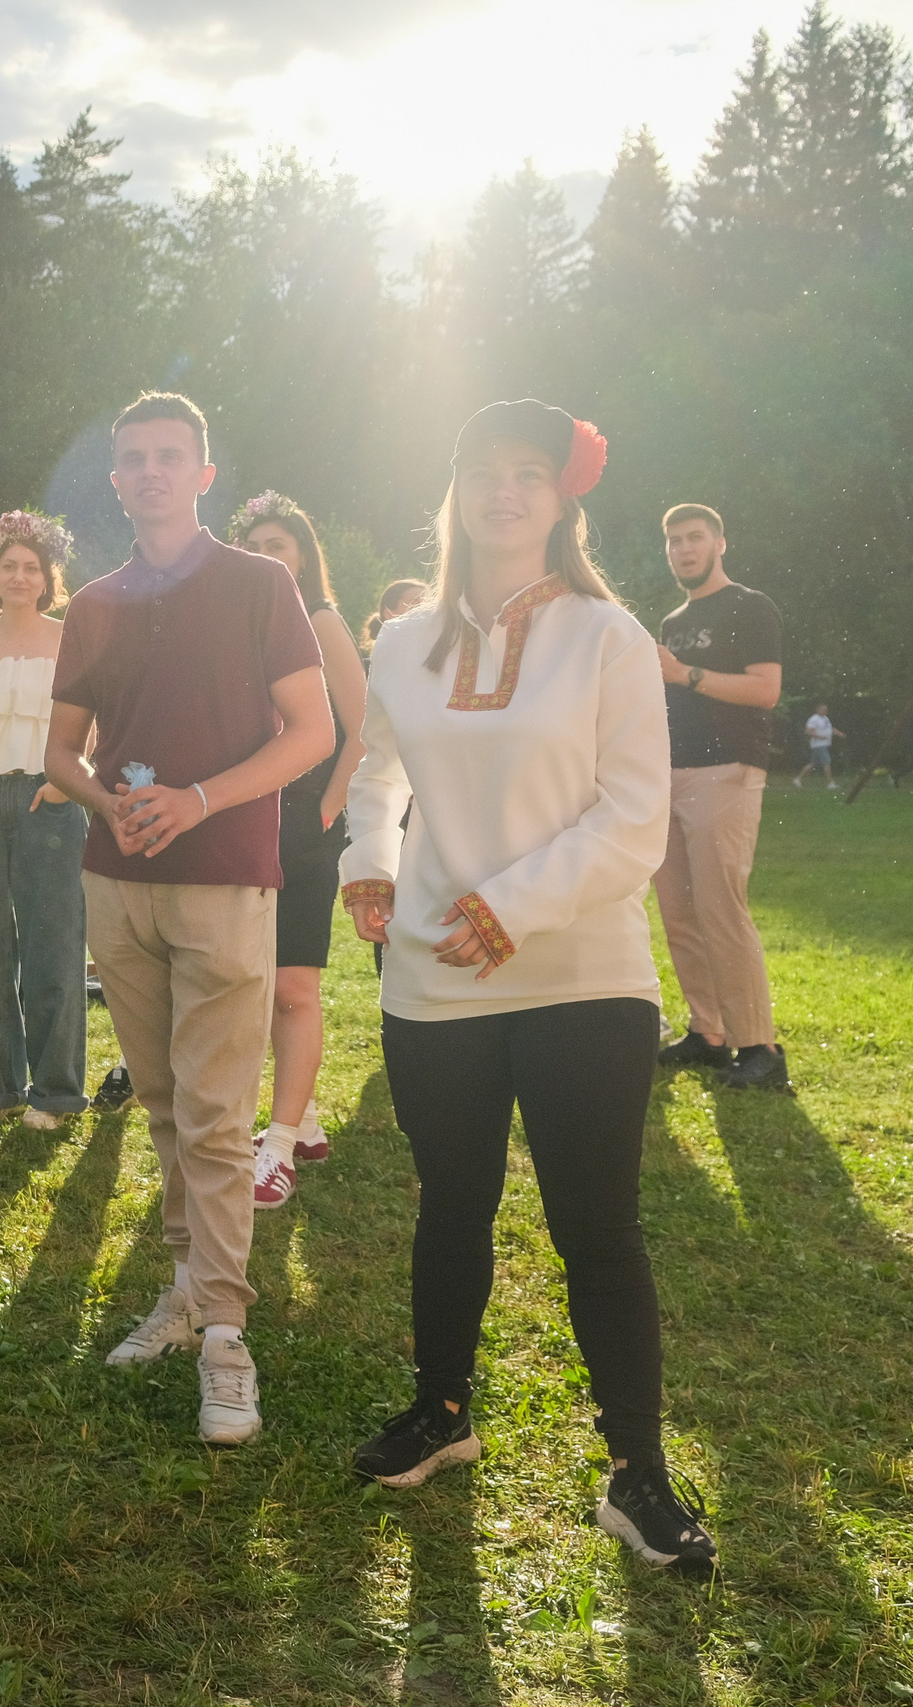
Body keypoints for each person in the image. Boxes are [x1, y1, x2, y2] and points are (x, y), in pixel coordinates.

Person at [339, 400, 714, 1572]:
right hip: (433, 976)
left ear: (561, 503)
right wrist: (370, 866)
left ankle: (635, 1473)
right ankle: (442, 1414)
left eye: (526, 476)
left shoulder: (608, 637)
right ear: (453, 493)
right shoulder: (401, 641)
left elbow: (633, 818)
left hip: (581, 973)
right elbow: (372, 772)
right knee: (450, 1201)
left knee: (595, 1227)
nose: (502, 492)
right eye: (482, 473)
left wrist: (515, 908)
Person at [43, 393, 332, 1448]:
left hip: (225, 874)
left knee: (214, 1117)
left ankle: (223, 1338)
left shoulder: (262, 585)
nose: (151, 473)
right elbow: (59, 754)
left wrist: (200, 799)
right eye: (132, 460)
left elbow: (312, 733)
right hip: (115, 883)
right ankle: (184, 1286)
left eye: (170, 457)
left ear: (203, 474)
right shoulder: (96, 605)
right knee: (163, 1104)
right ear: (113, 481)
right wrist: (104, 799)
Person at [232, 492, 370, 1208]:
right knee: (249, 986)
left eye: (278, 544)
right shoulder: (230, 631)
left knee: (292, 988)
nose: (265, 555)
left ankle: (279, 1145)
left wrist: (326, 808)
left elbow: (363, 727)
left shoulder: (320, 622)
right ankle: (306, 1119)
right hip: (237, 822)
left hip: (303, 828)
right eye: (253, 544)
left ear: (303, 557)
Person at [0, 510, 89, 1130]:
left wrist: (63, 786)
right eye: (9, 568)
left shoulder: (69, 637)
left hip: (45, 798)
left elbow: (90, 726)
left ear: (48, 577)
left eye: (32, 568)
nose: (20, 577)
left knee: (52, 943)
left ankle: (54, 1092)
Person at [652, 502, 790, 1093]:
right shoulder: (671, 621)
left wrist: (685, 674)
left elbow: (766, 690)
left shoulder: (751, 607)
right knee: (679, 913)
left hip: (727, 771)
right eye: (675, 541)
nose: (685, 549)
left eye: (696, 538)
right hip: (670, 776)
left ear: (720, 543)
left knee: (720, 907)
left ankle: (759, 1048)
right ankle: (708, 1035)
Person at [795, 702, 841, 789]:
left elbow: (830, 728)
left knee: (813, 764)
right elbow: (808, 731)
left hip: (824, 744)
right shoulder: (814, 719)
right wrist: (820, 737)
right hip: (819, 745)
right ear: (818, 710)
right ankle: (830, 783)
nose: (826, 711)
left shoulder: (825, 718)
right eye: (824, 709)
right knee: (827, 762)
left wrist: (839, 733)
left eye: (826, 709)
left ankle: (798, 779)